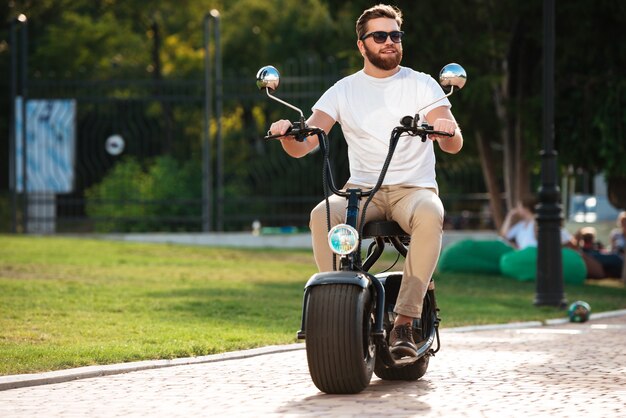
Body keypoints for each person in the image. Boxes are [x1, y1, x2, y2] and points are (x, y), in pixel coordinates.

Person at [268, 4, 463, 358]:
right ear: (362, 45)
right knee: (322, 214)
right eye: (380, 36)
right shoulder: (343, 90)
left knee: (431, 213)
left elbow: (453, 143)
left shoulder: (422, 84)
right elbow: (309, 142)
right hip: (361, 190)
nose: (390, 42)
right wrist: (286, 134)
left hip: (413, 190)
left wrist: (447, 130)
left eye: (395, 35)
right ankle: (336, 304)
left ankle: (405, 320)